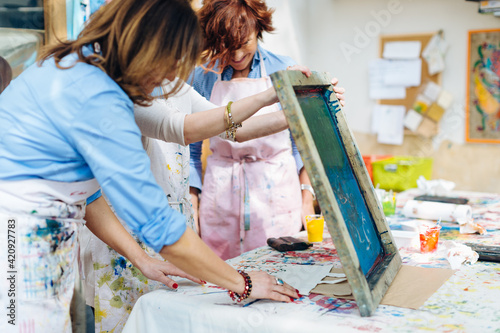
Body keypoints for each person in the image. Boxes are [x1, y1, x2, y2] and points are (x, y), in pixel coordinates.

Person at [0, 0, 299, 331]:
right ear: (147, 47)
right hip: (18, 244)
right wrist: (242, 282)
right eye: (171, 62)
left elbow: (86, 195)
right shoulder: (99, 100)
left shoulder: (71, 66)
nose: (171, 77)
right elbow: (159, 226)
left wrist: (142, 258)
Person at [189, 0, 346, 260]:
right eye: (227, 46)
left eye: (244, 44)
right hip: (220, 193)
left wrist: (307, 196)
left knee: (278, 269)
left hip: (278, 191)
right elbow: (192, 148)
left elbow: (302, 143)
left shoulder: (283, 69)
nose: (236, 55)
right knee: (222, 279)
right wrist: (192, 202)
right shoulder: (203, 75)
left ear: (258, 29)